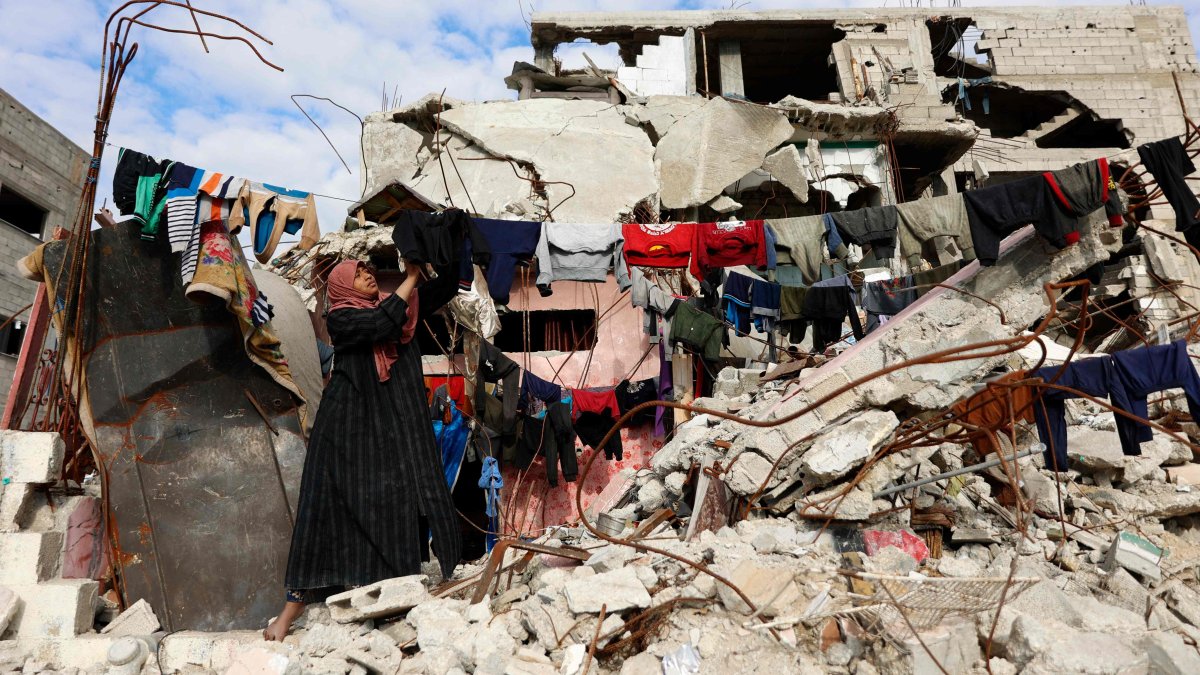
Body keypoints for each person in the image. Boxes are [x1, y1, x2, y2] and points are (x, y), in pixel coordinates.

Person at [264, 258, 462, 640]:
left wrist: (446, 244)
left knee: (394, 504)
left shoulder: (402, 313)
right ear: (344, 286)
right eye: (359, 273)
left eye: (370, 269)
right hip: (342, 433)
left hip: (385, 433)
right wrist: (411, 279)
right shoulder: (342, 318)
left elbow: (440, 289)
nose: (369, 274)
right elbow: (380, 323)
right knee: (320, 510)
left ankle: (397, 597)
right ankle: (288, 614)